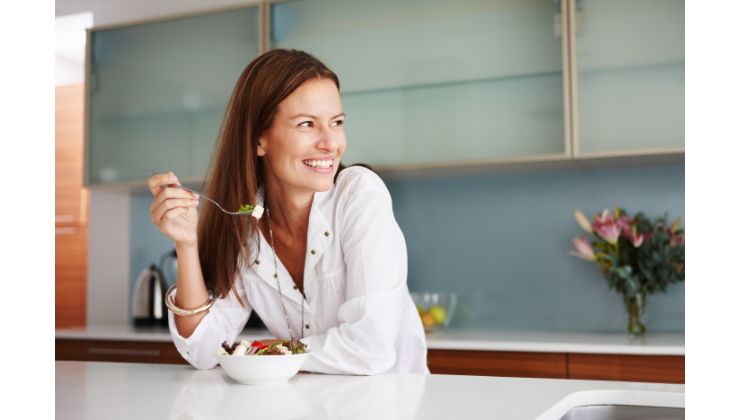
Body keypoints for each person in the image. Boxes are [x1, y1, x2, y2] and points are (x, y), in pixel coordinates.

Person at [148, 49, 428, 374]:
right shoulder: (245, 223)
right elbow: (203, 350)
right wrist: (186, 244)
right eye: (307, 124)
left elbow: (369, 349)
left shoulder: (360, 195)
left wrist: (255, 354)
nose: (330, 143)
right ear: (258, 140)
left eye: (336, 123)